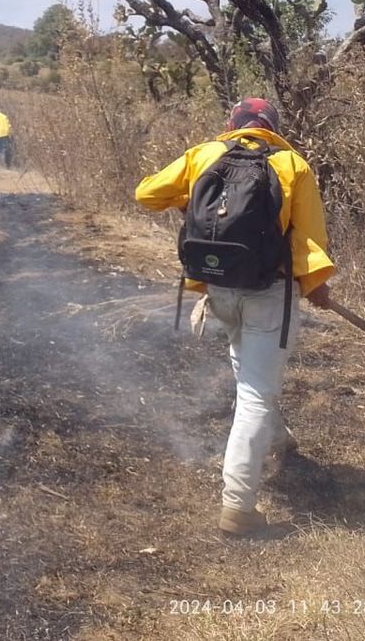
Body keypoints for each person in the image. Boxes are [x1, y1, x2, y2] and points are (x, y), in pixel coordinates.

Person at [135, 98, 334, 537]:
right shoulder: (291, 164)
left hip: (218, 288)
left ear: (233, 124)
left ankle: (279, 439)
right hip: (268, 293)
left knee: (250, 370)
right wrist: (316, 286)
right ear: (272, 127)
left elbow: (146, 193)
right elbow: (308, 242)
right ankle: (238, 508)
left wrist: (186, 198)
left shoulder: (204, 154)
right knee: (256, 395)